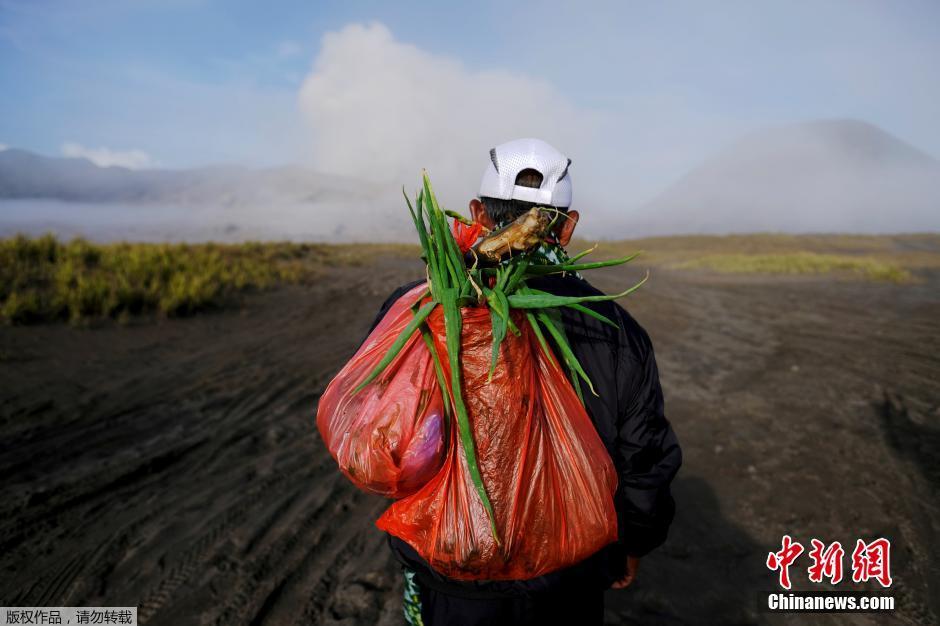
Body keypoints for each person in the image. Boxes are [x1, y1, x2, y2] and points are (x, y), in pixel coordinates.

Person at [365, 138, 682, 626]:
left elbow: (378, 431)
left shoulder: (416, 311)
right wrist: (634, 543)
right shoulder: (614, 329)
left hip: (450, 568)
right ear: (569, 225)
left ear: (475, 212)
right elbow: (643, 458)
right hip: (567, 576)